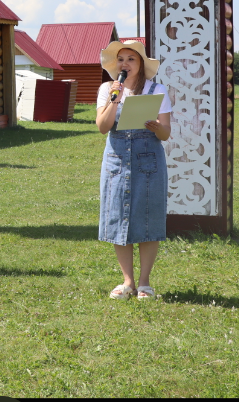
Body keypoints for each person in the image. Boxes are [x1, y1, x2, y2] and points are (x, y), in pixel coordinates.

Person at [96, 40, 172, 300]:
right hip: (117, 161)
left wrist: (155, 126)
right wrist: (114, 100)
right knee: (119, 218)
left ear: (140, 65)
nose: (125, 63)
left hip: (148, 160)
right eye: (121, 59)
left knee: (148, 218)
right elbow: (103, 127)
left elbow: (165, 133)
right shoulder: (108, 89)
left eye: (131, 59)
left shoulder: (156, 89)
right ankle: (127, 281)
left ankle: (144, 283)